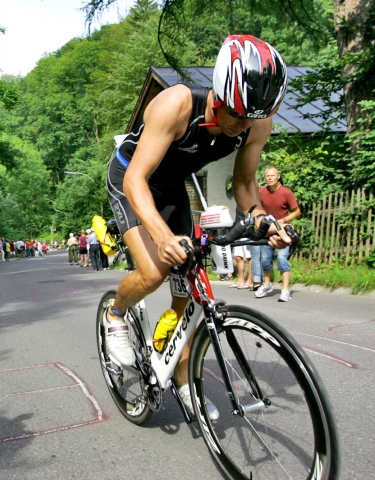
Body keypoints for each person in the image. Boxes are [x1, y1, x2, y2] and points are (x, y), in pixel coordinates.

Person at [104, 35, 291, 417]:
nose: (242, 129)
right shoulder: (177, 105)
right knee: (155, 270)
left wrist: (260, 219)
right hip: (131, 178)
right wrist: (162, 237)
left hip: (172, 187)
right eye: (236, 117)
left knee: (190, 290)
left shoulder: (256, 122)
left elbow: (243, 185)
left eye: (251, 121)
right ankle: (116, 315)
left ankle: (182, 376)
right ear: (219, 96)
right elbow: (136, 180)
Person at [254, 166, 301, 302]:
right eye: (267, 176)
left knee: (282, 260)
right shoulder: (261, 192)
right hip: (267, 232)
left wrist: (283, 220)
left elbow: (297, 211)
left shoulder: (286, 193)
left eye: (272, 176)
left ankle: (285, 290)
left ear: (278, 176)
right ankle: (267, 285)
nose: (269, 178)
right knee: (265, 261)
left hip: (282, 232)